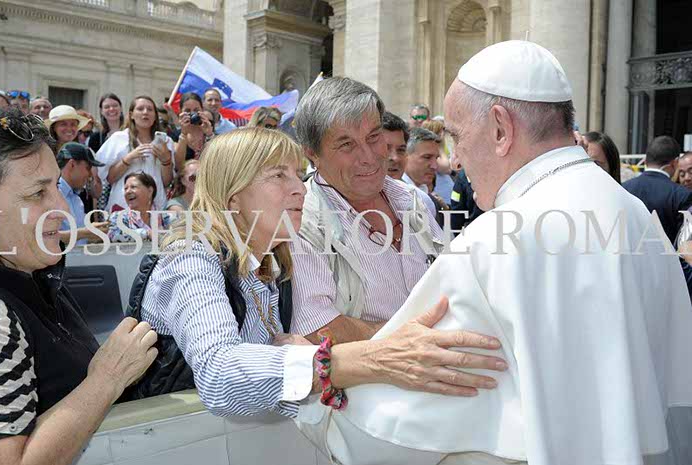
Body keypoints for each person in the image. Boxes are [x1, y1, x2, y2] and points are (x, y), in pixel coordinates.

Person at [297, 40, 692, 465]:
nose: (456, 159)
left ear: (501, 129)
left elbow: (395, 427)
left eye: (458, 137)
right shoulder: (635, 214)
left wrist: (317, 413)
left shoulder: (493, 241)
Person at [129, 127, 505, 412]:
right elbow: (220, 374)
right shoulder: (189, 258)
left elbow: (280, 382)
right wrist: (363, 360)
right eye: (279, 175)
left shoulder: (271, 264)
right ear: (233, 197)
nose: (301, 188)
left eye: (298, 174)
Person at [0, 107, 157, 465]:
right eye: (37, 193)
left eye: (55, 186)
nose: (59, 207)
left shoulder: (38, 273)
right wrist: (108, 378)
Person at [291, 77, 445, 344]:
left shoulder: (409, 198)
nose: (368, 156)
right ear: (312, 154)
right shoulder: (303, 220)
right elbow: (317, 327)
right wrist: (415, 338)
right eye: (346, 144)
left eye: (374, 137)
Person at [96, 96, 175, 212]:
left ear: (155, 116)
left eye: (150, 109)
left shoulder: (166, 141)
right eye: (140, 109)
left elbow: (166, 182)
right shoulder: (118, 138)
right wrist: (128, 159)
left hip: (155, 207)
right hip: (123, 207)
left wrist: (166, 161)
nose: (145, 112)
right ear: (131, 115)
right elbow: (109, 178)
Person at [623, 135, 692, 244]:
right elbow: (684, 242)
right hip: (667, 254)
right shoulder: (681, 195)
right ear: (675, 163)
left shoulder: (624, 188)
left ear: (645, 161)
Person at [382, 111, 437, 218]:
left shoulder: (421, 201)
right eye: (385, 148)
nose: (395, 158)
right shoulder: (347, 203)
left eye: (401, 150)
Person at [56, 142, 109, 246]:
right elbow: (45, 237)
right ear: (72, 164)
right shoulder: (51, 194)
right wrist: (84, 233)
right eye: (88, 168)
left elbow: (78, 241)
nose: (90, 175)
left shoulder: (77, 199)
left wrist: (92, 235)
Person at [108, 172, 169, 242]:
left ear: (150, 191)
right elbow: (115, 235)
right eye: (125, 188)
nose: (128, 191)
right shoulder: (118, 217)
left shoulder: (166, 217)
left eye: (133, 187)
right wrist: (147, 234)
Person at [174, 92, 214, 169]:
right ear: (180, 111)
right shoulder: (175, 136)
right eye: (187, 111)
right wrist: (183, 134)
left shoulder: (209, 132)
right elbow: (178, 165)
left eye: (196, 110)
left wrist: (209, 134)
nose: (192, 114)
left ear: (202, 110)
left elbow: (216, 159)